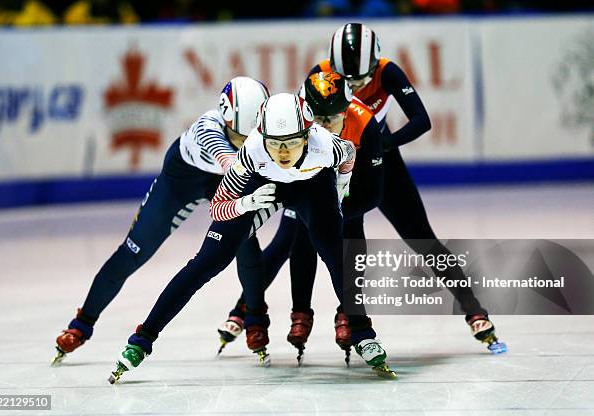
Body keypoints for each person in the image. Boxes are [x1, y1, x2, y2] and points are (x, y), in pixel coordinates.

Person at [107, 93, 396, 383]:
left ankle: (362, 331)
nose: (283, 153)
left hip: (311, 188)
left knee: (336, 254)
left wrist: (338, 190)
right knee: (208, 261)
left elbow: (349, 154)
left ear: (308, 136)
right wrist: (248, 202)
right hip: (261, 186)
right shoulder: (250, 153)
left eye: (292, 142)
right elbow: (217, 208)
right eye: (275, 143)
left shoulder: (326, 146)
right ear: (262, 136)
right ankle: (142, 338)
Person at [51, 76, 270, 365]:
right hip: (180, 184)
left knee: (246, 241)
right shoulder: (208, 126)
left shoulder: (256, 130)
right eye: (241, 136)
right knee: (132, 252)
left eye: (252, 136)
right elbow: (228, 161)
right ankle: (82, 323)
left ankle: (254, 317)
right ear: (226, 119)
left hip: (221, 181)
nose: (247, 142)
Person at [316, 22, 506, 353]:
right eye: (347, 81)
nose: (354, 88)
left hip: (383, 167)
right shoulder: (321, 74)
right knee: (350, 241)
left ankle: (473, 307)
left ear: (374, 63)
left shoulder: (387, 71)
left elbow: (421, 120)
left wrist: (379, 145)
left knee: (422, 238)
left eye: (361, 81)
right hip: (341, 169)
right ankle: (349, 312)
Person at [218, 71, 386, 364]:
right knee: (289, 239)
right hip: (304, 181)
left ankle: (349, 315)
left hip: (347, 185)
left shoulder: (362, 125)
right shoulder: (299, 129)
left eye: (332, 119)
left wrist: (340, 198)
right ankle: (258, 309)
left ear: (346, 111)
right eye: (317, 120)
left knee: (348, 234)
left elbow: (373, 194)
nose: (324, 126)